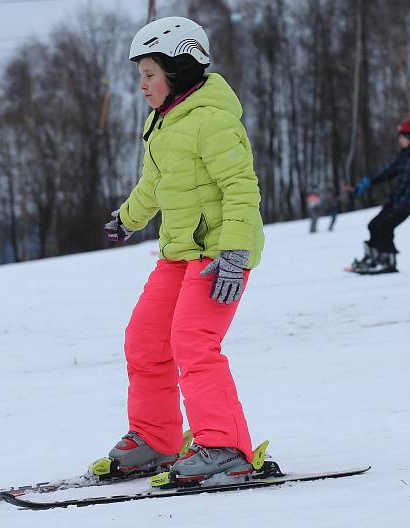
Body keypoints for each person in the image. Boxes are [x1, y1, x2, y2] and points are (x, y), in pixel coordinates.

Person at [101, 16, 264, 482]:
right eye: (141, 76)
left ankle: (225, 446)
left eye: (149, 74)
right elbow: (154, 184)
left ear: (180, 69)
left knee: (193, 343)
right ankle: (156, 438)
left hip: (218, 255)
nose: (142, 86)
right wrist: (126, 220)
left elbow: (241, 188)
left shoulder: (212, 121)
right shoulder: (164, 124)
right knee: (145, 340)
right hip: (177, 254)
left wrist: (233, 252)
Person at [350, 116, 410, 274]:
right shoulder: (405, 156)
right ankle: (373, 258)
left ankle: (387, 260)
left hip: (408, 203)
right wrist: (367, 182)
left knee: (385, 226)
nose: (400, 140)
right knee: (374, 225)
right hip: (396, 200)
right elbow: (387, 170)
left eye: (403, 136)